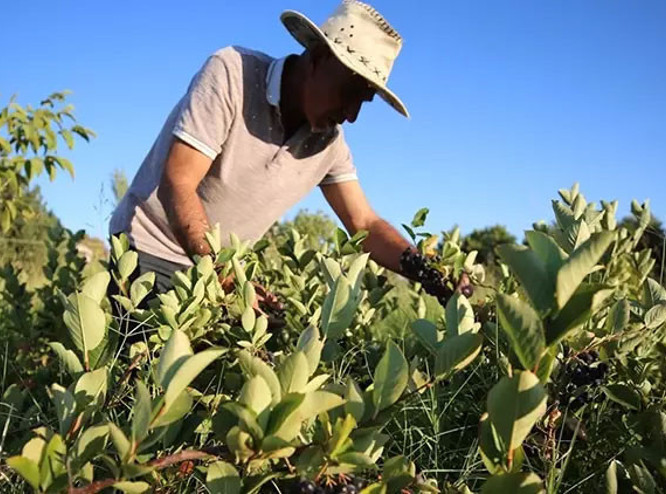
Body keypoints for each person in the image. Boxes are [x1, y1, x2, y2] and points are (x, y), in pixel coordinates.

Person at [109, 0, 469, 304]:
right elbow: (178, 181)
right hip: (148, 253)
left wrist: (431, 274)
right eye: (350, 93)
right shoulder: (233, 73)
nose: (352, 115)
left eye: (363, 101)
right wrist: (230, 281)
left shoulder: (330, 143)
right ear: (318, 58)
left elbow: (365, 224)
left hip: (215, 275)